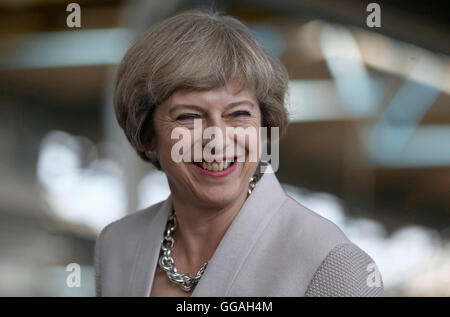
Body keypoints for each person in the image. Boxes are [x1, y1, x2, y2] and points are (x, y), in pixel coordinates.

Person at [94, 10, 384, 297]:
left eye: (238, 113)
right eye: (188, 117)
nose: (217, 140)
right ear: (148, 135)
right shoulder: (116, 247)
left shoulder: (332, 267)